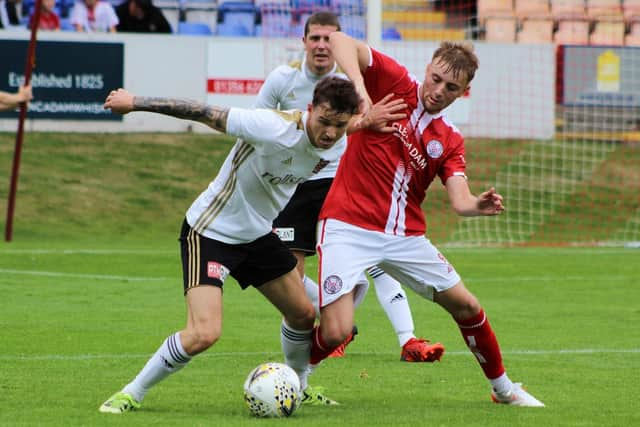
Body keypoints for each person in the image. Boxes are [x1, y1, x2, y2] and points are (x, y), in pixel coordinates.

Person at [304, 31, 545, 407]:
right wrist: (362, 95)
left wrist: (475, 206)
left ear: (462, 93)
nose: (438, 90)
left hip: (405, 238)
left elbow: (460, 199)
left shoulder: (449, 139)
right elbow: (338, 40)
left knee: (467, 306)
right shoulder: (393, 80)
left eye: (451, 87)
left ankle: (504, 390)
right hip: (347, 226)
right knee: (335, 332)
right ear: (427, 69)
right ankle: (292, 381)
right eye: (436, 79)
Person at [98, 76, 360, 414]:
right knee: (204, 333)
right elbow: (203, 111)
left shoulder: (338, 141)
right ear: (310, 110)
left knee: (303, 314)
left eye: (339, 125)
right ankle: (131, 393)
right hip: (210, 231)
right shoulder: (270, 126)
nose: (330, 133)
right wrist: (135, 102)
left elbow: (358, 125)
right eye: (324, 122)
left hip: (257, 235)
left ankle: (298, 386)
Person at [260, 11, 444, 362]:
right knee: (287, 276)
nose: (322, 45)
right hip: (294, 185)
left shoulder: (349, 81)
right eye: (315, 38)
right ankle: (336, 318)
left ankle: (407, 338)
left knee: (380, 256)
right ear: (303, 42)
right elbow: (260, 125)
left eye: (329, 38)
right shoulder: (282, 81)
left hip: (339, 180)